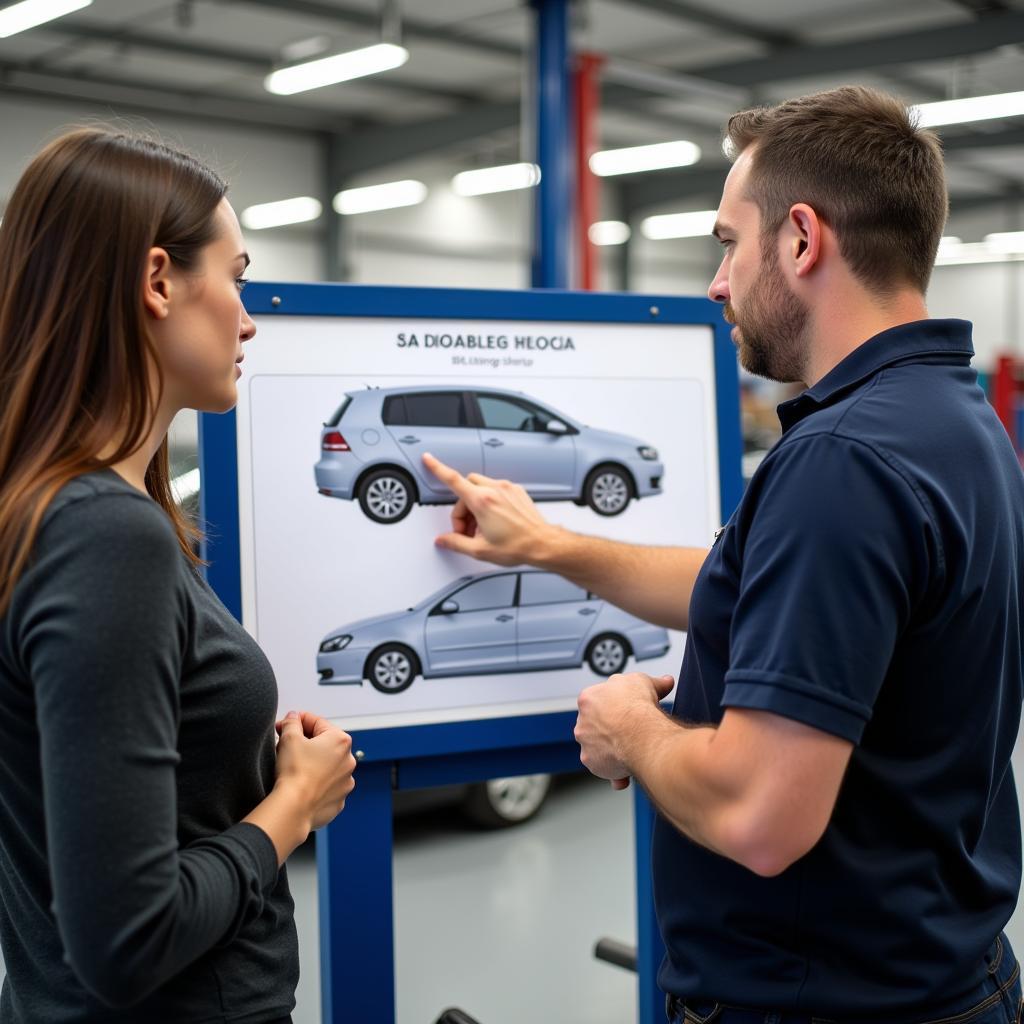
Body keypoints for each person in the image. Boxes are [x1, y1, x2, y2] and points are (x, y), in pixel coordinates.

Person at [422, 86, 1024, 1024]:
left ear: (799, 239)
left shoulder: (843, 463)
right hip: (941, 968)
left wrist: (631, 730)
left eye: (725, 242)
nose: (715, 281)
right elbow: (754, 594)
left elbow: (759, 815)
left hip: (824, 1001)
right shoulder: (954, 423)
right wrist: (547, 544)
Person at [0, 128, 357, 1022]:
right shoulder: (101, 536)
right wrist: (294, 805)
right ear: (158, 281)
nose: (247, 314)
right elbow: (130, 937)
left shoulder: (51, 508)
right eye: (234, 276)